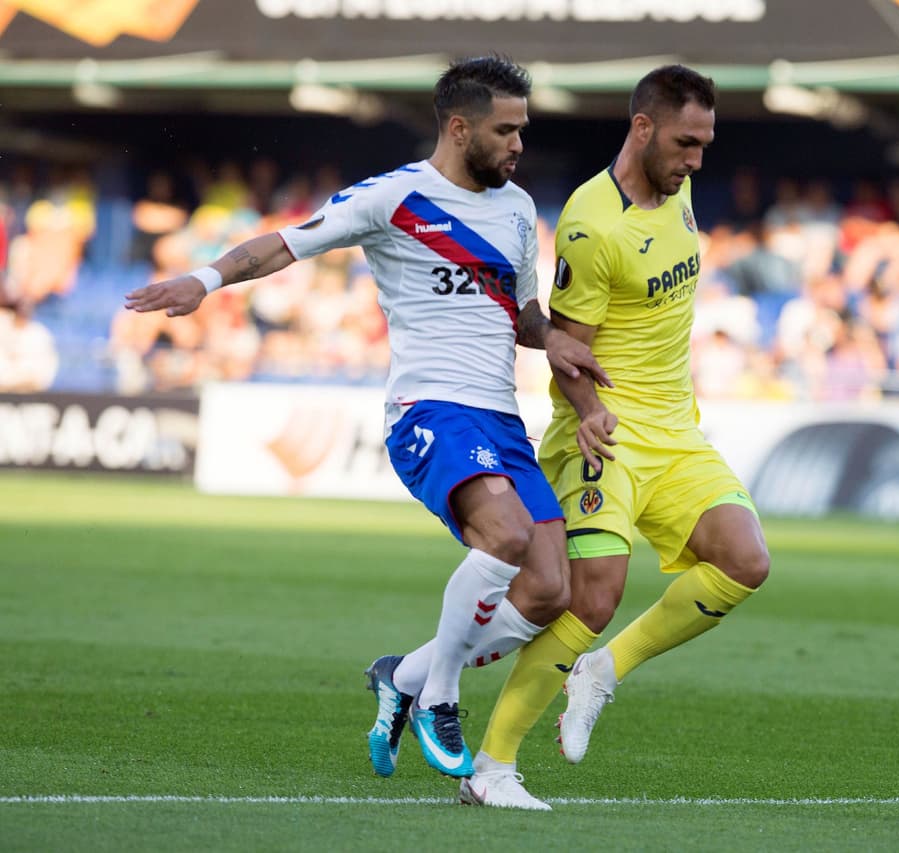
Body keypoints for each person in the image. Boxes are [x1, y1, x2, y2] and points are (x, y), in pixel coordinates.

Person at [123, 57, 610, 798]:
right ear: (458, 127)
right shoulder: (395, 196)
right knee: (506, 538)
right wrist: (207, 278)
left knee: (549, 589)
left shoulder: (514, 210)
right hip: (429, 410)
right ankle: (440, 693)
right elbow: (288, 242)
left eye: (523, 129)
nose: (518, 145)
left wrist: (555, 340)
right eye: (505, 130)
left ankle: (403, 675)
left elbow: (521, 312)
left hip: (501, 417)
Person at [468, 64, 770, 807]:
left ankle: (603, 671)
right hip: (603, 436)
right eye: (685, 143)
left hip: (676, 430)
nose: (697, 160)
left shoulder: (681, 189)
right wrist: (591, 410)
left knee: (745, 559)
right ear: (642, 127)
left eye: (705, 144)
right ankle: (491, 766)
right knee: (593, 596)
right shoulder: (591, 222)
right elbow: (569, 344)